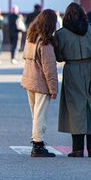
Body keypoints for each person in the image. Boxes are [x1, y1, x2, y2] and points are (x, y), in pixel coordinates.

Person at [56, 3, 91, 158]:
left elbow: (59, 57)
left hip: (72, 71)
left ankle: (77, 149)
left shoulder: (61, 34)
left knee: (75, 109)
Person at [20, 9, 59, 157]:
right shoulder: (45, 42)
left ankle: (37, 142)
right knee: (40, 115)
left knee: (35, 115)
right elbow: (49, 68)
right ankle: (38, 145)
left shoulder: (30, 37)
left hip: (29, 80)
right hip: (41, 83)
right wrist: (53, 88)